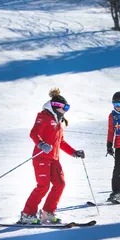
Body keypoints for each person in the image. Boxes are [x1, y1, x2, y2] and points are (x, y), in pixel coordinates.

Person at [19, 88, 85, 225]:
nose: (66, 110)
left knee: (60, 184)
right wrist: (41, 144)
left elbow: (61, 142)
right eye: (65, 107)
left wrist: (74, 152)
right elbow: (34, 133)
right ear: (56, 107)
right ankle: (27, 214)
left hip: (54, 159)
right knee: (43, 186)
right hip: (41, 157)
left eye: (68, 107)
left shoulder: (59, 122)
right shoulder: (43, 116)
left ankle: (47, 213)